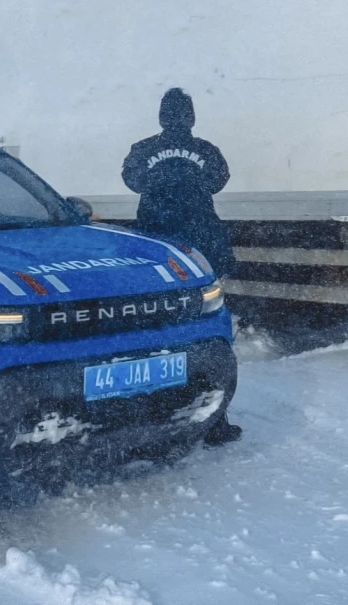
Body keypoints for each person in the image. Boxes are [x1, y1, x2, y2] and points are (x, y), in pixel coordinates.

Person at [123, 88, 241, 445]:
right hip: (199, 246)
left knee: (159, 330)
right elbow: (219, 180)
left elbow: (132, 180)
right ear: (191, 116)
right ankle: (214, 421)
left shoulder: (143, 149)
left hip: (159, 246)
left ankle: (153, 414)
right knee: (206, 329)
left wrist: (162, 188)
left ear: (161, 116)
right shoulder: (206, 149)